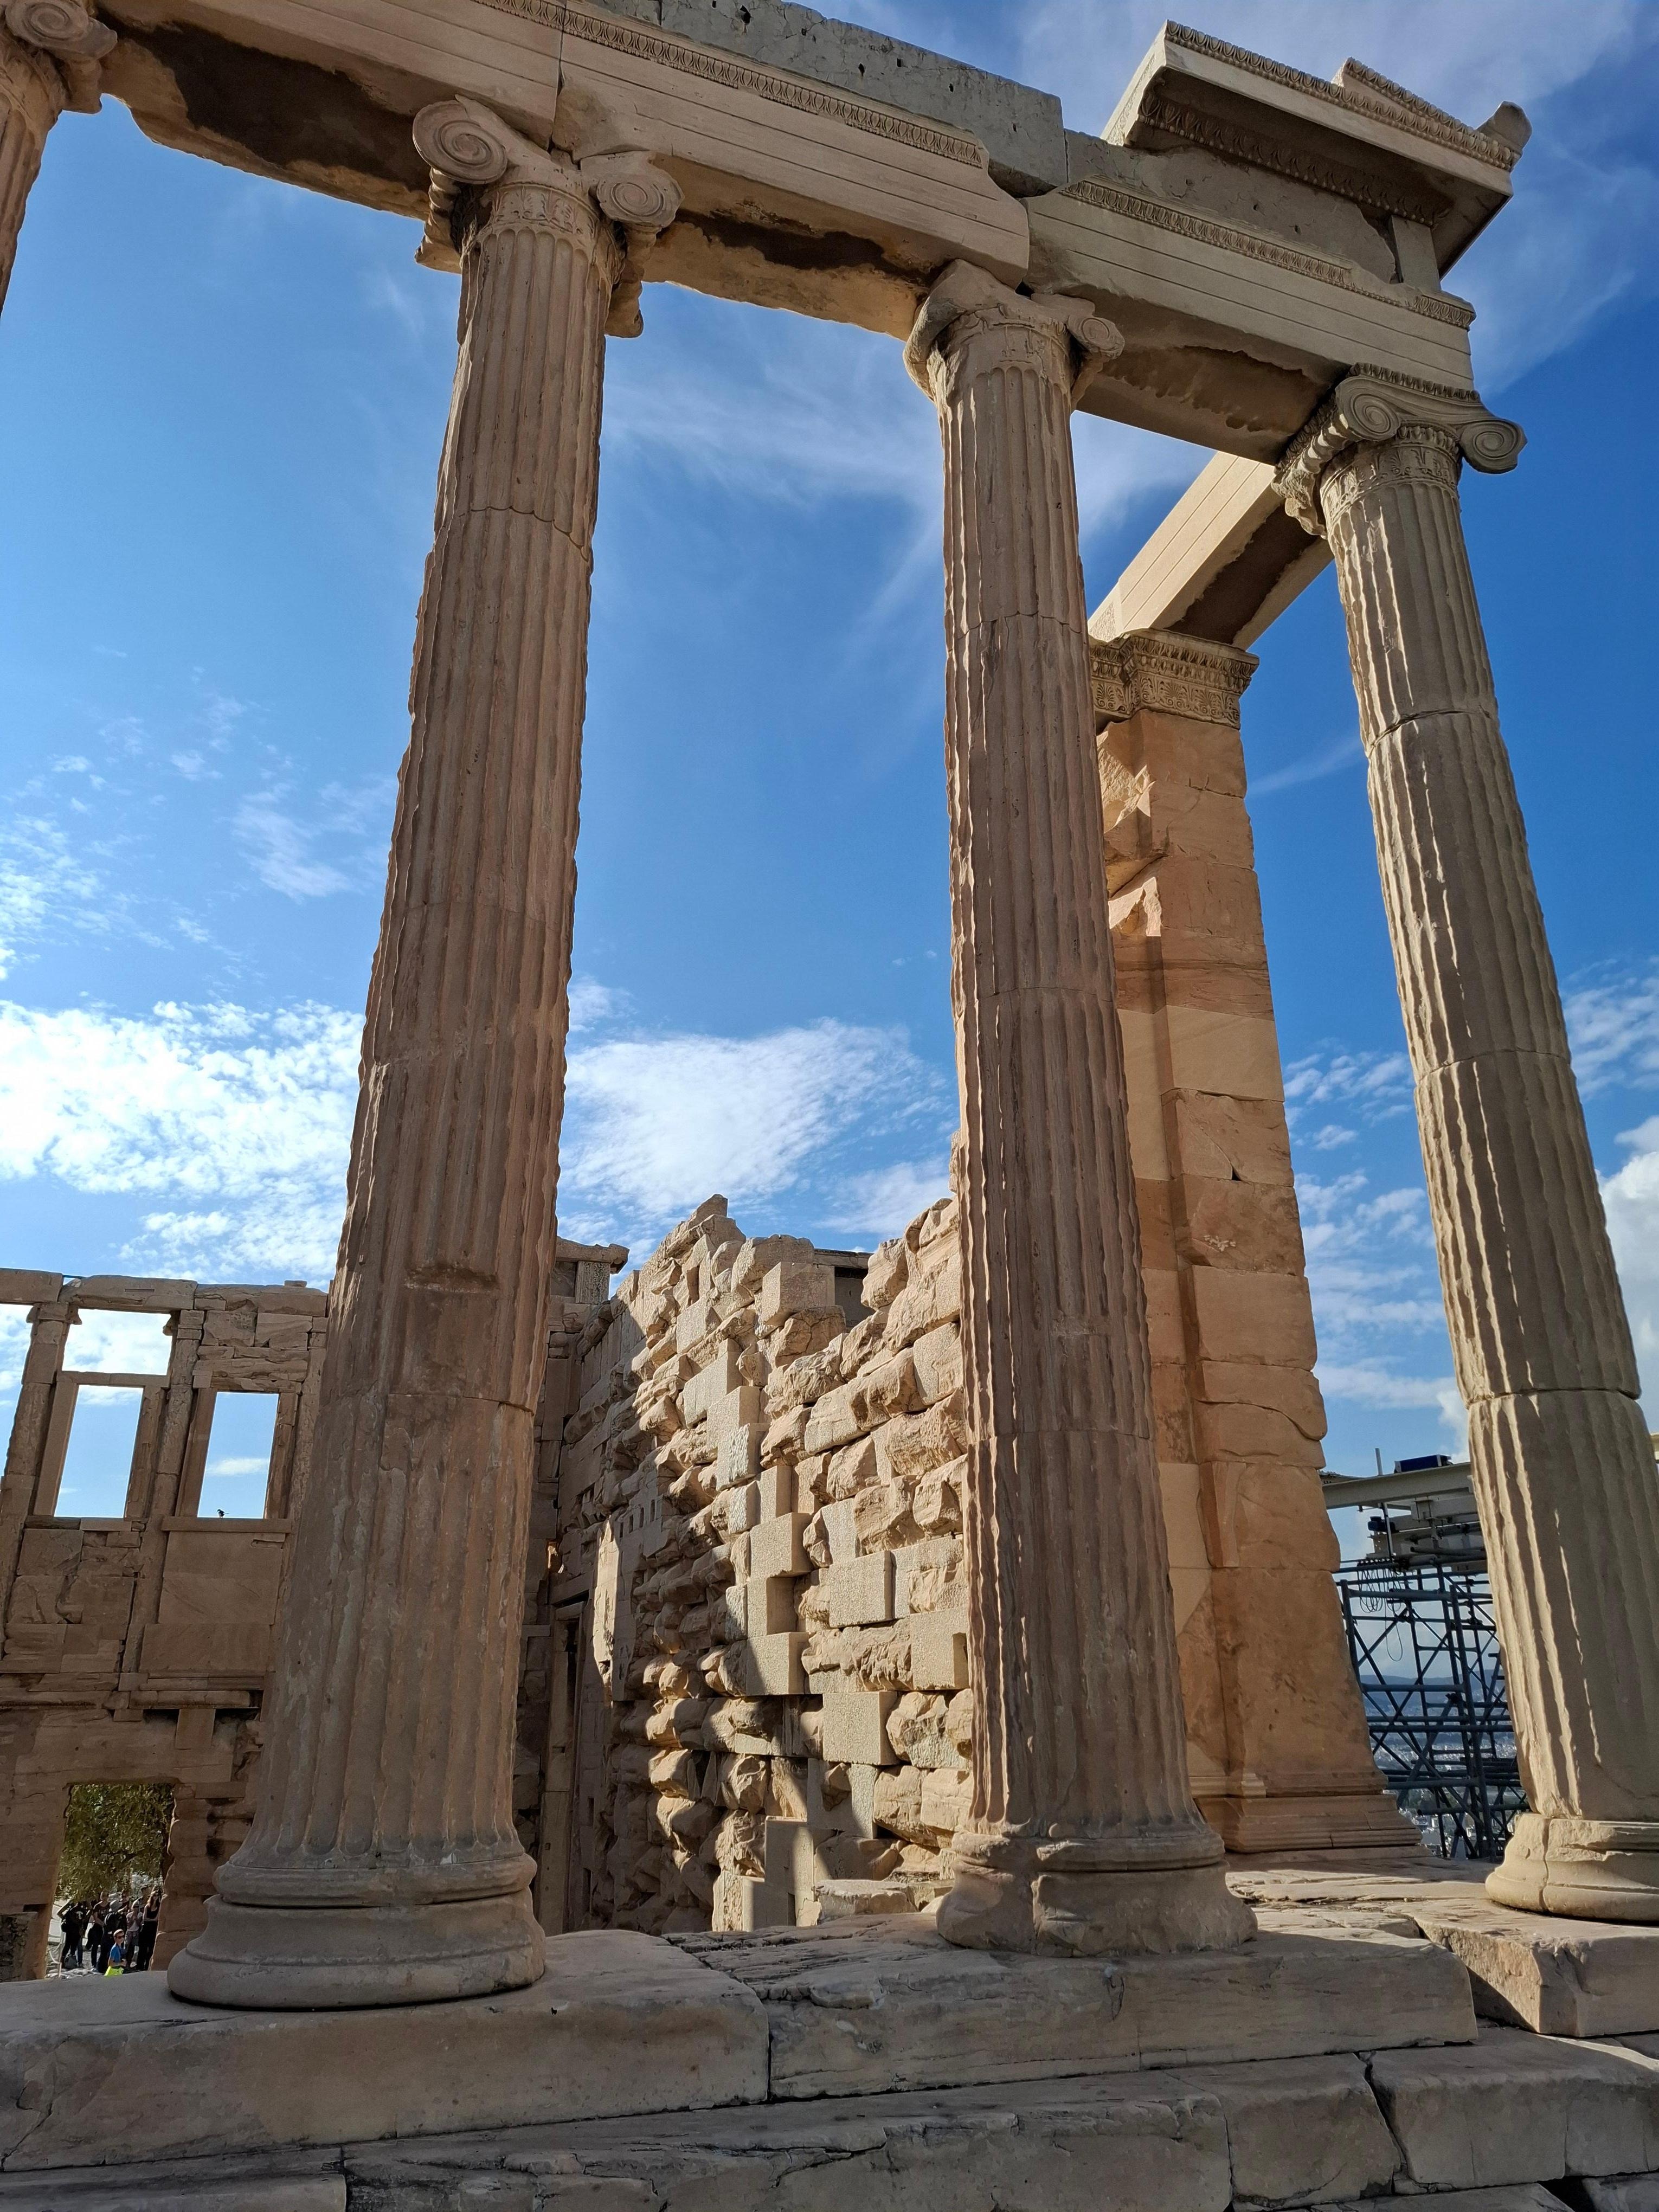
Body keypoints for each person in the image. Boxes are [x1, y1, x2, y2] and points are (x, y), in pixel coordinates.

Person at [59, 1902, 85, 1971]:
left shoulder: (81, 1909)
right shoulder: (72, 1909)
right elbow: (62, 1914)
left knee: (73, 1946)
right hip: (71, 1929)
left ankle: (70, 1960)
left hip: (76, 1930)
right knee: (68, 1945)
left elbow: (84, 1918)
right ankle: (63, 1960)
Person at [85, 1907, 108, 1975]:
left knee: (104, 1947)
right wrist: (102, 1924)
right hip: (97, 1928)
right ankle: (94, 1964)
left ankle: (101, 1964)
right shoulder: (97, 1907)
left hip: (105, 1929)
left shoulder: (109, 1906)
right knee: (95, 1946)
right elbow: (95, 1918)